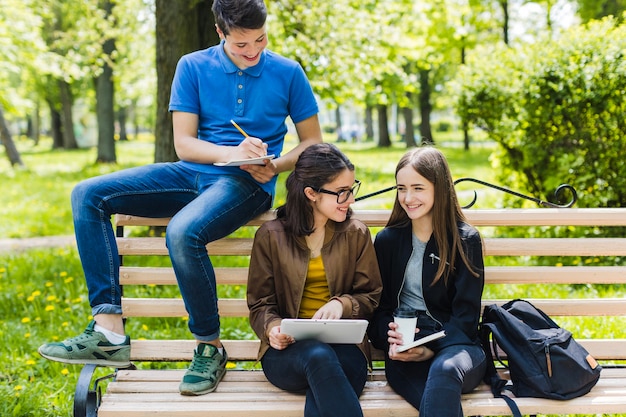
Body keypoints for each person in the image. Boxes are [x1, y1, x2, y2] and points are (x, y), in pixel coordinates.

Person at [38, 0, 322, 397]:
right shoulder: (192, 66)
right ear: (220, 33)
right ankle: (109, 331)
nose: (253, 51)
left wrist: (273, 166)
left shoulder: (288, 72)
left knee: (182, 231)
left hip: (246, 185)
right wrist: (230, 153)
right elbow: (184, 144)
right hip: (194, 172)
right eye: (242, 45)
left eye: (260, 40)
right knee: (87, 194)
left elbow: (312, 144)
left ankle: (210, 346)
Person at [247, 143, 382, 417]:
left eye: (351, 189)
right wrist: (272, 328)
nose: (351, 200)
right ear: (311, 193)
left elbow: (370, 294)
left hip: (346, 351)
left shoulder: (355, 233)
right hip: (288, 354)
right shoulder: (271, 236)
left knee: (325, 378)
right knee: (318, 356)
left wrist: (342, 305)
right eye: (342, 193)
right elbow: (260, 303)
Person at [367, 147, 486, 417]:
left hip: (458, 352)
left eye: (418, 188)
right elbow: (379, 313)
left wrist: (429, 351)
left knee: (443, 372)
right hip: (406, 358)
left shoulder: (464, 240)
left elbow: (466, 320)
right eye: (401, 188)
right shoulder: (388, 241)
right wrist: (393, 339)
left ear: (439, 188)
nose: (408, 198)